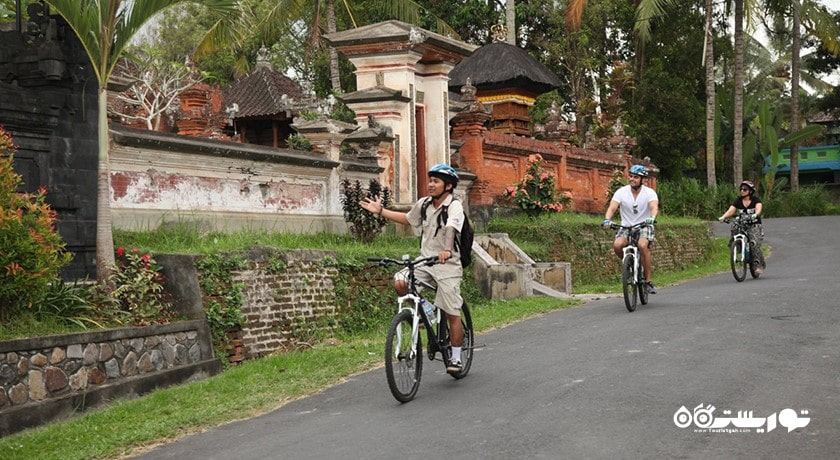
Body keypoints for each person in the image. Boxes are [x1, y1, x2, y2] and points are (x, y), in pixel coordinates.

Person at [359, 163, 467, 374]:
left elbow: (452, 228)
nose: (431, 185)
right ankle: (426, 310)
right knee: (400, 281)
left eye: (436, 181)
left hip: (448, 264)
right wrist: (380, 211)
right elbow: (408, 220)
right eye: (430, 180)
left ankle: (456, 358)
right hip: (425, 261)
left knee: (452, 312)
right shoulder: (424, 204)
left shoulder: (454, 205)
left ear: (448, 186)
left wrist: (446, 250)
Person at [601, 164, 660, 294]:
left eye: (636, 177)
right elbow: (612, 207)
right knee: (617, 245)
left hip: (644, 225)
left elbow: (653, 206)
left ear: (642, 179)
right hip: (626, 226)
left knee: (642, 245)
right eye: (631, 176)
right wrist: (607, 219)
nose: (632, 179)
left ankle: (648, 281)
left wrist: (652, 217)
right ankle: (629, 265)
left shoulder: (649, 193)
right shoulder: (621, 192)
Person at [718, 180, 765, 275]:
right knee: (734, 225)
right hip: (742, 223)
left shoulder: (756, 200)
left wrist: (755, 215)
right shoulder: (738, 200)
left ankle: (757, 265)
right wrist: (723, 217)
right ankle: (736, 245)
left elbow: (759, 209)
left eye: (745, 189)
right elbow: (731, 210)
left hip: (754, 224)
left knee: (754, 244)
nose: (742, 191)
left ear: (750, 191)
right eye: (741, 189)